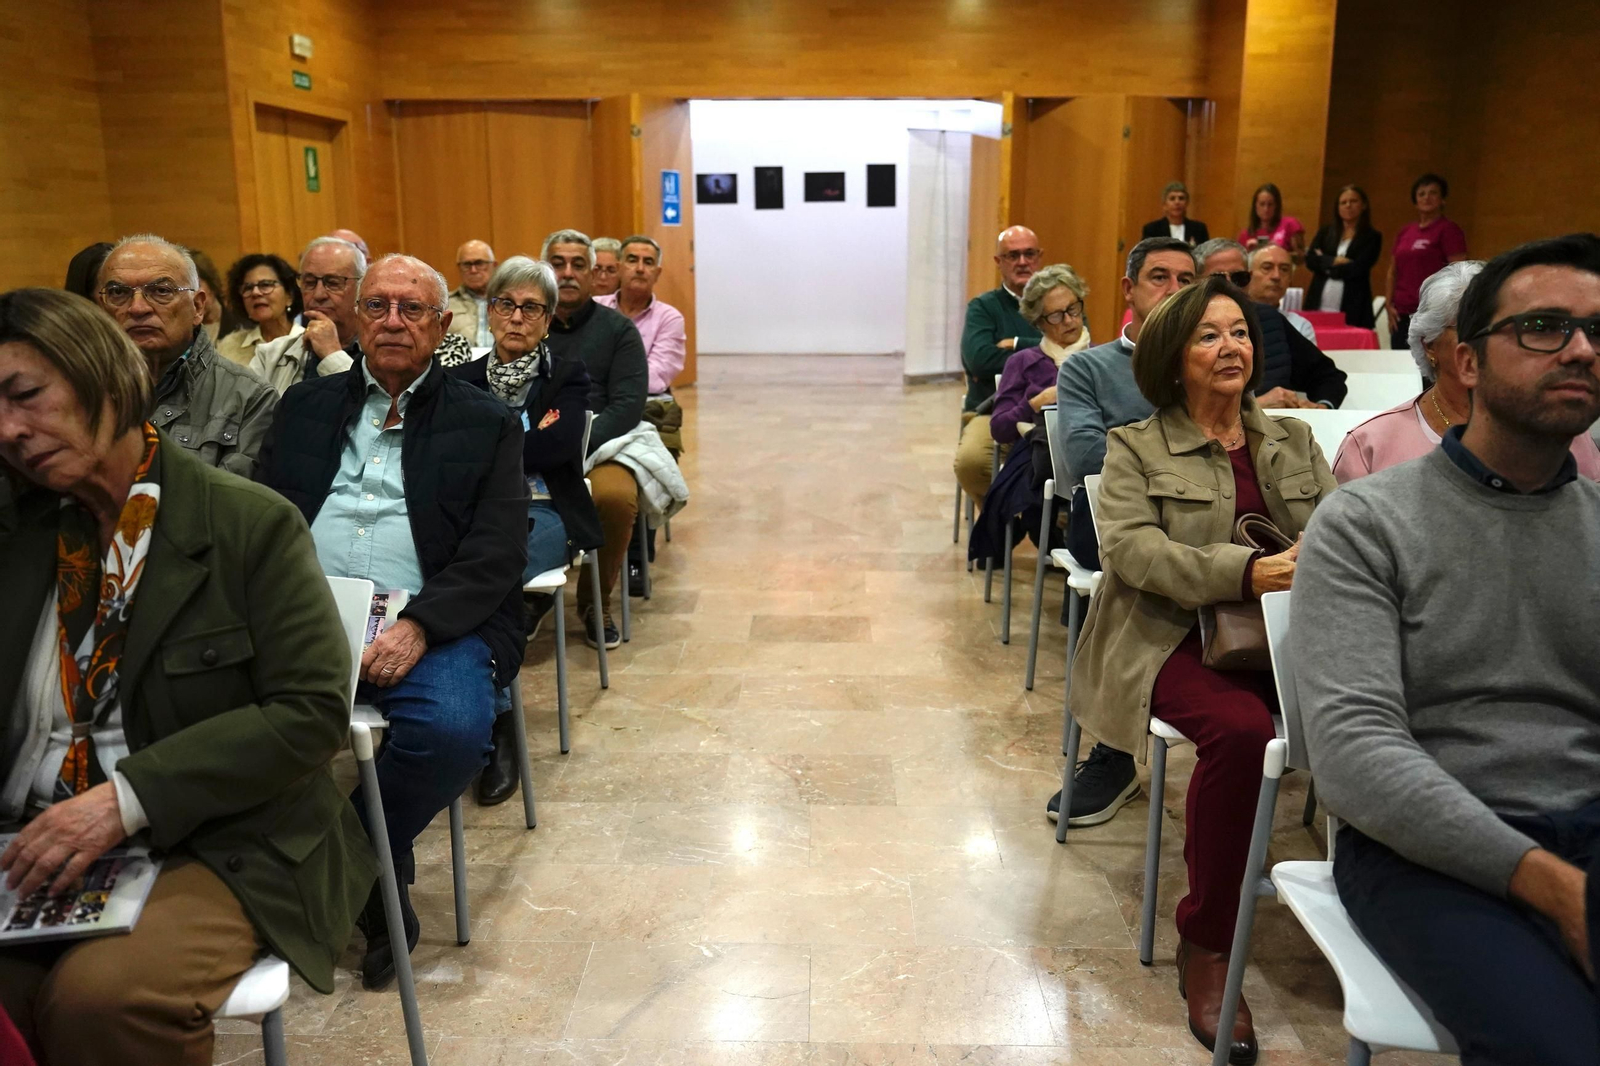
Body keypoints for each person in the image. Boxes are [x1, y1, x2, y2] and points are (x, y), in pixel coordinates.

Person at [0, 288, 375, 1064]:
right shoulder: (20, 530)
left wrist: (126, 800)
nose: (9, 431)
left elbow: (307, 714)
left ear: (104, 376)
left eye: (25, 395)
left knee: (101, 1001)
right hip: (31, 833)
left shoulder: (246, 523)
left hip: (215, 839)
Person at [1294, 234, 1600, 1064]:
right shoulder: (1368, 523)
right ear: (1464, 360)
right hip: (1426, 850)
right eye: (1544, 327)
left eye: (1597, 331)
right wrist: (1557, 888)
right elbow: (1355, 757)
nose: (1580, 350)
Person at [1072, 275, 1337, 1062]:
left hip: (1286, 632)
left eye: (1242, 334)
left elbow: (1339, 525)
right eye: (1210, 336)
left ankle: (1386, 908)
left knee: (1385, 703)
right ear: (1174, 357)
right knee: (1243, 730)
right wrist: (1243, 574)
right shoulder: (1136, 444)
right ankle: (1209, 943)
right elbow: (1129, 550)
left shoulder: (1290, 438)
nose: (1233, 348)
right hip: (1167, 635)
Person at [254, 254, 526, 992]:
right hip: (303, 615)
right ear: (355, 318)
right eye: (377, 307)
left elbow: (498, 550)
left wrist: (420, 627)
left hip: (425, 615)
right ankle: (377, 882)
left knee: (451, 731)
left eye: (413, 310)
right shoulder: (306, 408)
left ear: (442, 326)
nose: (393, 322)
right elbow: (263, 514)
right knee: (216, 719)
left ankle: (348, 856)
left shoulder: (486, 421)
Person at [1045, 236, 1195, 829]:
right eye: (1160, 277)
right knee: (1141, 570)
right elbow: (1086, 455)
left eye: (1188, 281)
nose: (1174, 292)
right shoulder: (1090, 366)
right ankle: (1113, 750)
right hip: (1108, 520)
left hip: (1197, 525)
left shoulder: (1215, 359)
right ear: (1129, 290)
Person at [451, 256, 603, 806]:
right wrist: (520, 434)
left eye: (531, 308)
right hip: (474, 514)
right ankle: (494, 718)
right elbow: (453, 455)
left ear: (547, 320)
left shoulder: (565, 374)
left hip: (544, 508)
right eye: (506, 304)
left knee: (489, 581)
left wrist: (490, 442)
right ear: (490, 312)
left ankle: (497, 729)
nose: (517, 317)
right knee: (468, 579)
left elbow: (557, 448)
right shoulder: (460, 379)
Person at [1333, 260, 1600, 482]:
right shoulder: (1371, 445)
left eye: (1499, 328)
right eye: (1470, 328)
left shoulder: (1560, 431)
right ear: (1429, 344)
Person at [541, 229, 648, 650]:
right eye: (557, 263)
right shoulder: (526, 321)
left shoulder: (619, 330)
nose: (567, 274)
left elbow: (626, 406)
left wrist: (574, 443)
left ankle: (593, 601)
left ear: (594, 273)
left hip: (600, 443)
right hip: (537, 445)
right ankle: (530, 599)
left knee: (614, 498)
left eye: (578, 264)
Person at [95, 235, 277, 478]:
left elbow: (235, 507)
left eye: (161, 291)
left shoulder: (248, 398)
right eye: (118, 292)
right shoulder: (77, 390)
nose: (137, 308)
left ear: (198, 307)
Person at [1195, 239, 1346, 410]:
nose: (1230, 286)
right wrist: (1255, 408)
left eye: (1240, 278)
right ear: (1196, 282)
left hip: (1274, 432)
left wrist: (1321, 408)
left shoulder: (1268, 319)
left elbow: (1328, 377)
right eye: (1219, 279)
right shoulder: (1183, 328)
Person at [954, 226, 1045, 505]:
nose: (1022, 262)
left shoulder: (1059, 303)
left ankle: (1050, 526)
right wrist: (1043, 353)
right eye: (1012, 255)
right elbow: (980, 361)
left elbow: (1078, 351)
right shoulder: (983, 307)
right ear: (999, 262)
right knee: (970, 464)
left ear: (1039, 258)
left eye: (1029, 254)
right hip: (991, 411)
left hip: (1052, 414)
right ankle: (1004, 520)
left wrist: (1017, 343)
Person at [249, 236, 364, 394]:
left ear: (361, 288)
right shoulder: (269, 356)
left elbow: (372, 409)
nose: (318, 294)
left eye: (333, 283)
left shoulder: (384, 352)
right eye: (309, 283)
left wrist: (332, 355)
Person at [595, 236, 686, 395]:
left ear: (657, 273)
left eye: (648, 262)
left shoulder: (669, 318)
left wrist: (601, 376)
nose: (640, 269)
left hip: (644, 404)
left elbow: (655, 378)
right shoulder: (595, 307)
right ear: (619, 268)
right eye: (632, 260)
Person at [1386, 172, 1468, 348]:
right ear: (1415, 201)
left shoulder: (1448, 230)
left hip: (1432, 313)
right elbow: (1393, 271)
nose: (1427, 197)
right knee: (1401, 366)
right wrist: (1388, 304)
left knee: (1427, 370)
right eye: (1421, 194)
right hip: (1401, 313)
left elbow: (1459, 272)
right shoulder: (1405, 231)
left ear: (1443, 199)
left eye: (1433, 193)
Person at [1304, 184, 1381, 328]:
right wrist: (1335, 260)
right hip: (1319, 303)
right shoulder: (1326, 232)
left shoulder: (1372, 237)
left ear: (1363, 205)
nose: (1348, 205)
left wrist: (1325, 265)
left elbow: (1358, 268)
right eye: (1343, 202)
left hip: (1353, 306)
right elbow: (1310, 259)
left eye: (1353, 201)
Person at [217, 253, 302, 367]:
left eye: (265, 285)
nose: (255, 293)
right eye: (248, 288)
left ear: (289, 296)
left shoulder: (306, 343)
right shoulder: (230, 346)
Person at [1244, 244, 1316, 341]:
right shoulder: (1231, 321)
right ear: (1247, 275)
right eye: (1267, 268)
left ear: (1290, 279)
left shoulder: (1300, 327)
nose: (1276, 276)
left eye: (1284, 269)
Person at [446, 239, 497, 348]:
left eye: (479, 263)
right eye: (467, 264)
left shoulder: (508, 303)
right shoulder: (445, 304)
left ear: (494, 265)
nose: (473, 270)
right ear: (459, 268)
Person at [1237, 182, 1305, 261]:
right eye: (1262, 204)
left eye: (1270, 204)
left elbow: (1301, 257)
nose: (1266, 209)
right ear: (1255, 206)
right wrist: (1250, 254)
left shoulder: (1290, 224)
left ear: (1276, 206)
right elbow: (1239, 263)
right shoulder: (1245, 234)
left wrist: (1277, 251)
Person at [187, 248, 239, 342]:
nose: (192, 295)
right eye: (186, 288)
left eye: (196, 285)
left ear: (212, 283)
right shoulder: (182, 331)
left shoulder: (240, 324)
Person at [1141, 182, 1209, 247]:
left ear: (1187, 203)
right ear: (1164, 205)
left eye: (1181, 198)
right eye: (1172, 198)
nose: (1177, 202)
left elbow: (1206, 254)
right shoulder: (1152, 230)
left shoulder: (1199, 229)